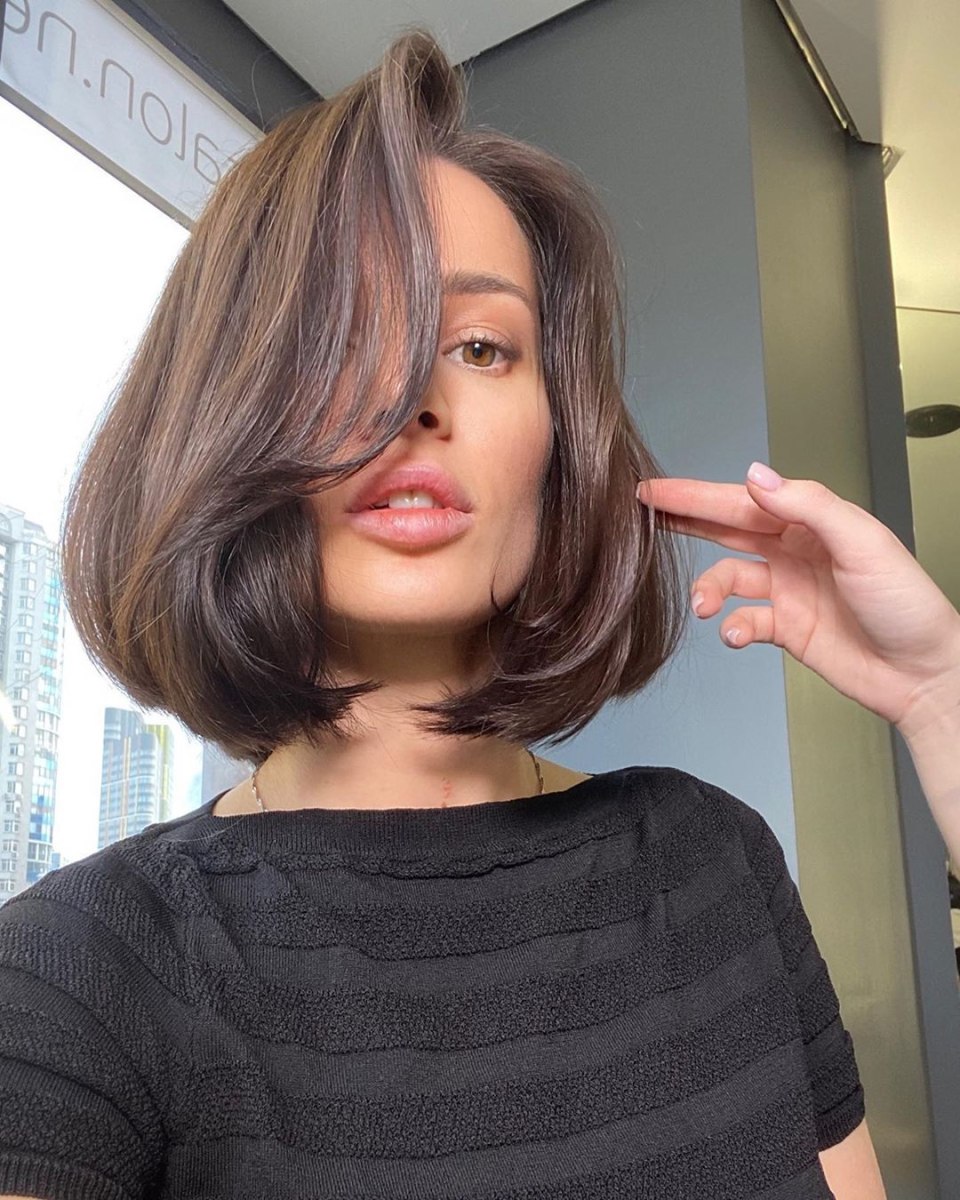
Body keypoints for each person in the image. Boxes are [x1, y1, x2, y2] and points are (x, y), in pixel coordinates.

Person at [0, 27, 957, 1200]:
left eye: (480, 345)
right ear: (221, 411)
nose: (415, 393)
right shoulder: (75, 976)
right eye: (341, 336)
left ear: (560, 444)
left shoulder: (713, 859)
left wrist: (942, 699)